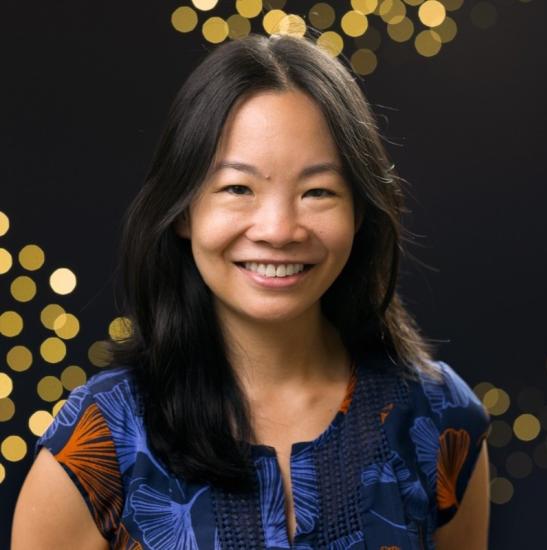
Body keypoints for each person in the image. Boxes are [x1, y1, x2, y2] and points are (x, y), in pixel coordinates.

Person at [12, 32, 490, 549]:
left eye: (318, 192)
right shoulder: (96, 441)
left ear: (360, 213)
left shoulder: (441, 419)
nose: (279, 229)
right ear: (182, 212)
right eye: (238, 188)